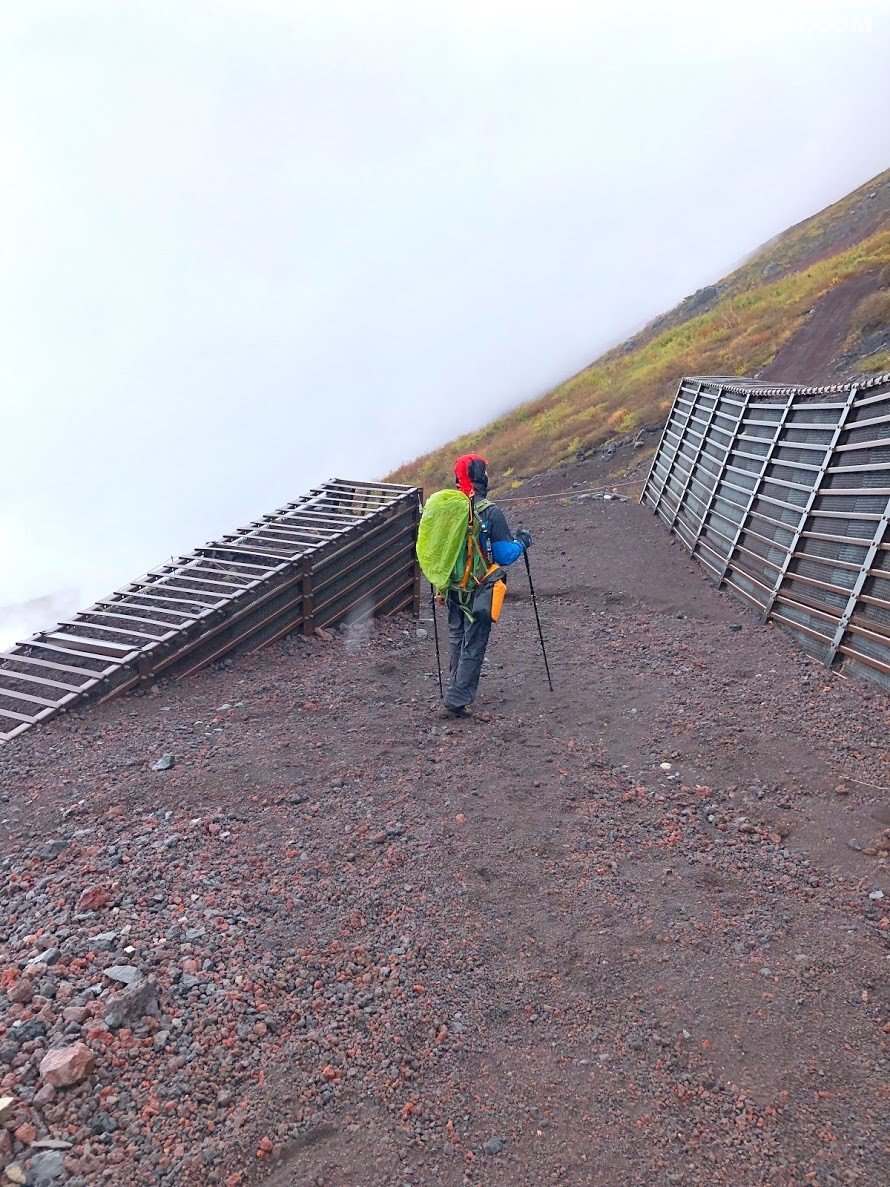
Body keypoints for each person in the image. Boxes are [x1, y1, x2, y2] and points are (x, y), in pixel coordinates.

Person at [442, 453, 531, 716]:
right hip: (479, 587)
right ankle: (457, 699)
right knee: (474, 641)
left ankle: (455, 687)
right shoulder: (490, 512)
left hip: (451, 586)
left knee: (457, 637)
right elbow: (504, 556)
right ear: (481, 477)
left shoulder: (448, 510)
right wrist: (522, 543)